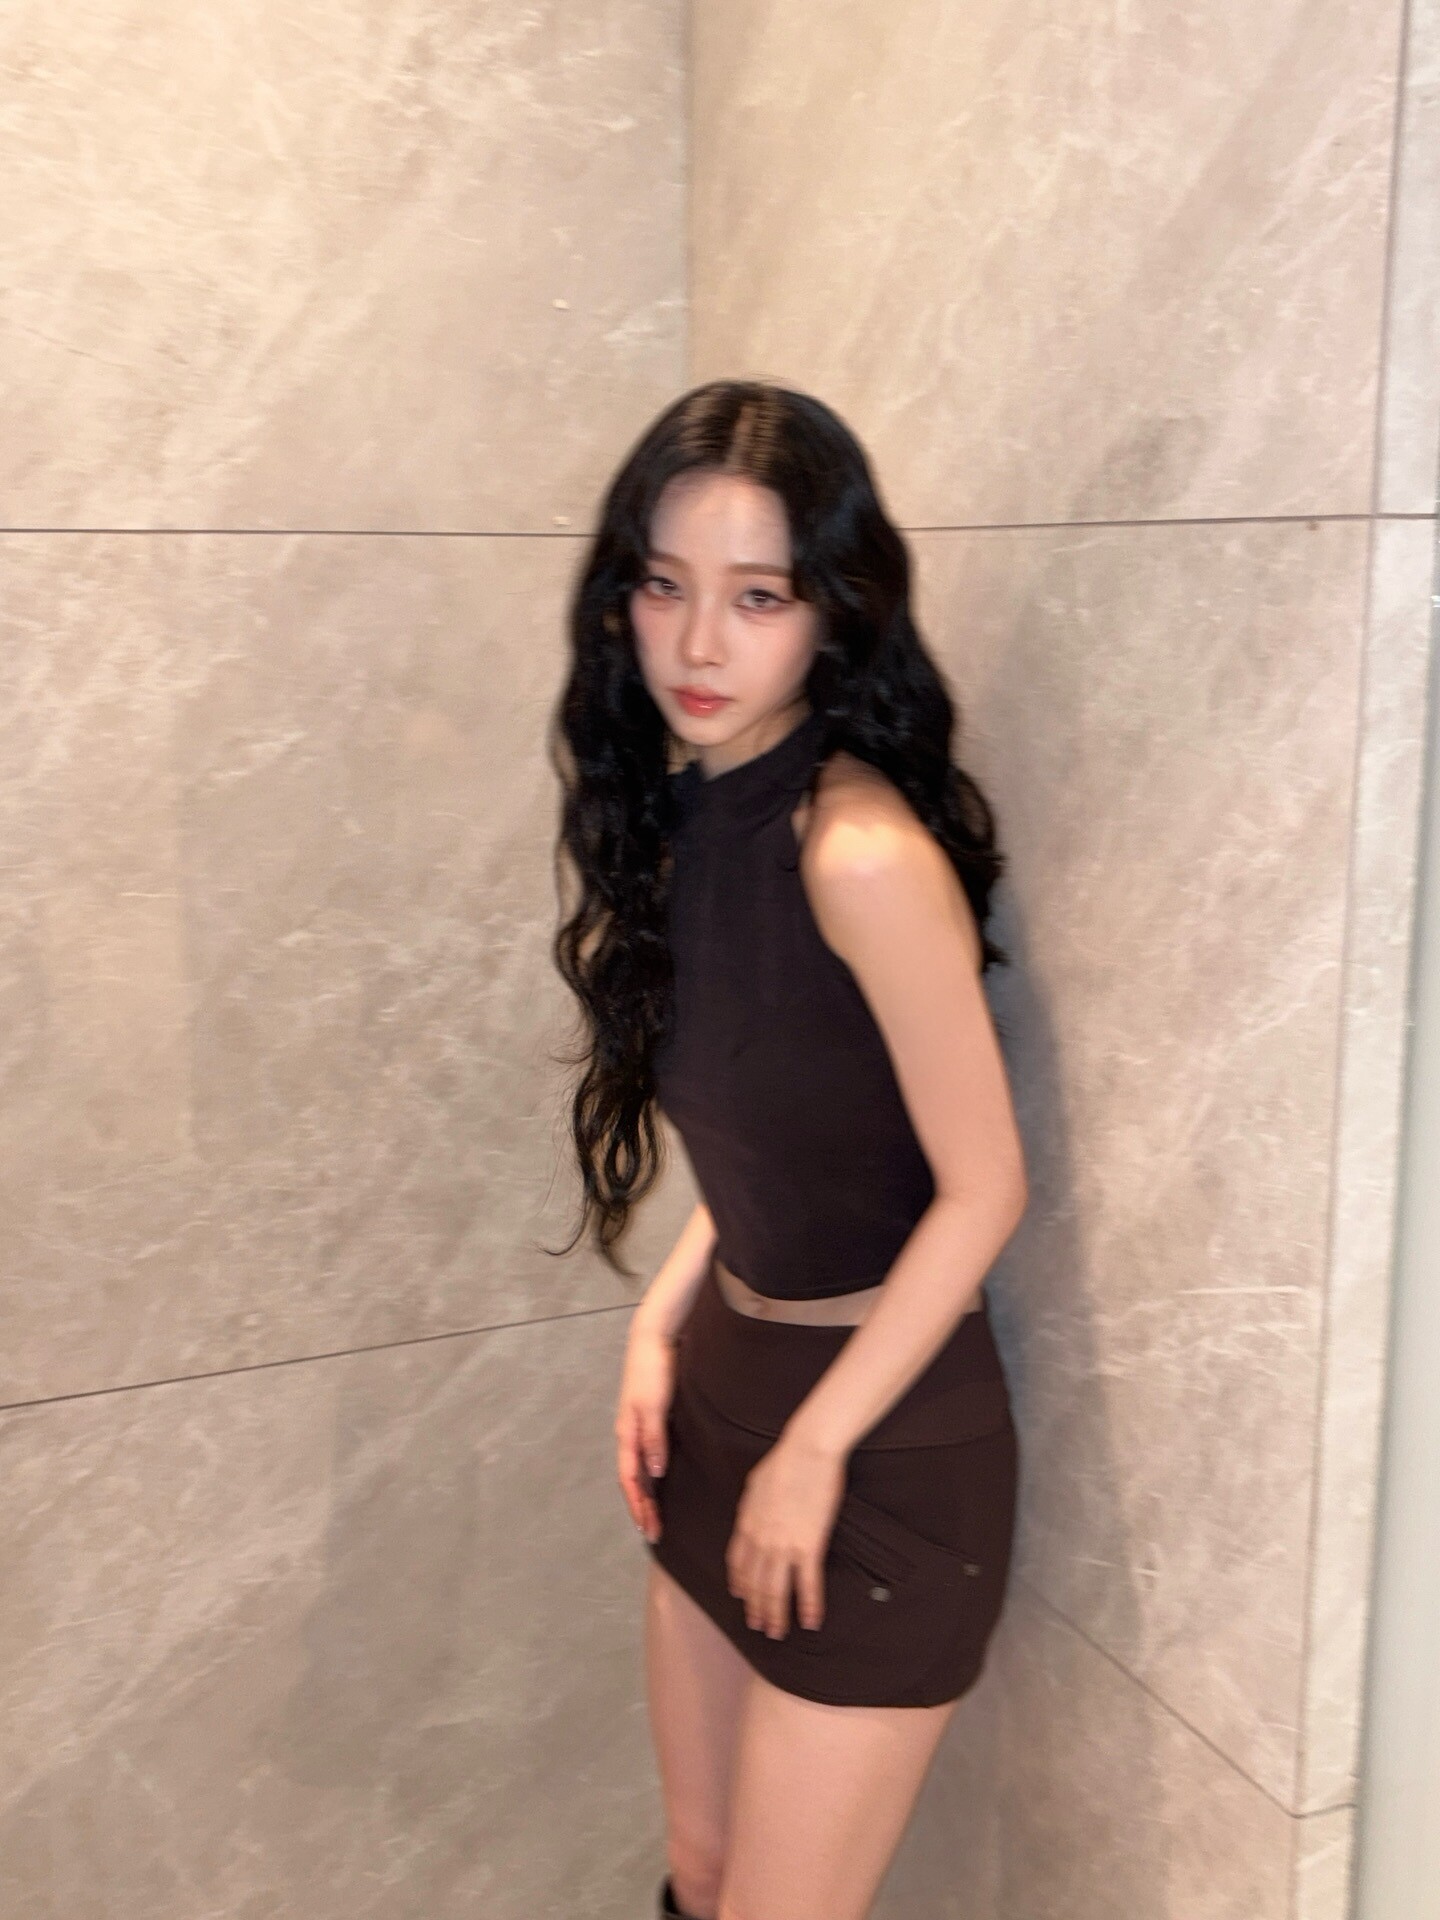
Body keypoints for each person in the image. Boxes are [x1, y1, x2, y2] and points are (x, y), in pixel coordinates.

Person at [549, 380, 1026, 1920]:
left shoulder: (858, 850)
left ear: (833, 614)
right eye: (664, 586)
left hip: (878, 1449)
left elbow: (984, 1188)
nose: (698, 645)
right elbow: (792, 1136)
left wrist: (817, 1447)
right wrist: (661, 1316)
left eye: (757, 598)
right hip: (724, 1399)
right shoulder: (680, 817)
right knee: (700, 1874)